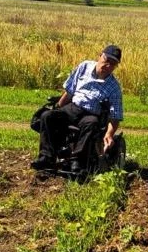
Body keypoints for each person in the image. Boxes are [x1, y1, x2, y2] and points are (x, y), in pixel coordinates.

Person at [31, 45, 124, 174]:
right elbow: (69, 91)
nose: (107, 65)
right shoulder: (84, 66)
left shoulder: (114, 87)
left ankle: (77, 161)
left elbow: (115, 115)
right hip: (73, 107)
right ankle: (46, 158)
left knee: (91, 123)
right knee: (48, 116)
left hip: (91, 113)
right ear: (100, 56)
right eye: (106, 60)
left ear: (115, 67)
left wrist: (109, 134)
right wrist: (57, 107)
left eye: (112, 64)